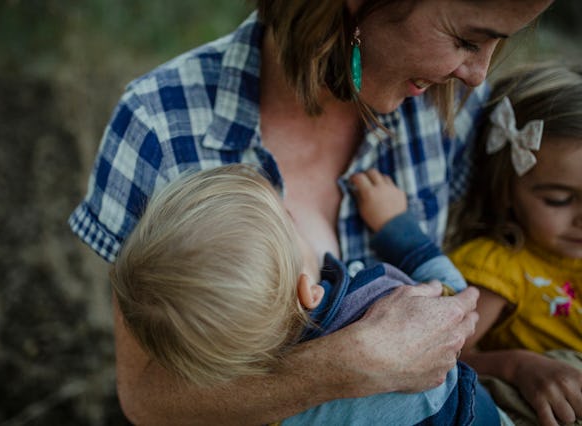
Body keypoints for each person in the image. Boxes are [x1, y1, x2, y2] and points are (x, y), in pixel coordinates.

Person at [69, 0, 553, 423]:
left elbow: (456, 329)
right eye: (466, 39)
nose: (477, 74)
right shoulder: (158, 125)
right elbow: (146, 397)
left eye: (496, 43)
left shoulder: (453, 104)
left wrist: (514, 365)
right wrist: (340, 366)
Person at [111, 163, 489, 425]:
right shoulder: (375, 300)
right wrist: (397, 228)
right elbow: (453, 308)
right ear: (308, 291)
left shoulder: (260, 409)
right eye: (290, 221)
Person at [447, 63, 582, 426]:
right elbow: (445, 356)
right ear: (505, 189)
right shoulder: (498, 267)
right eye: (558, 199)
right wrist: (517, 364)